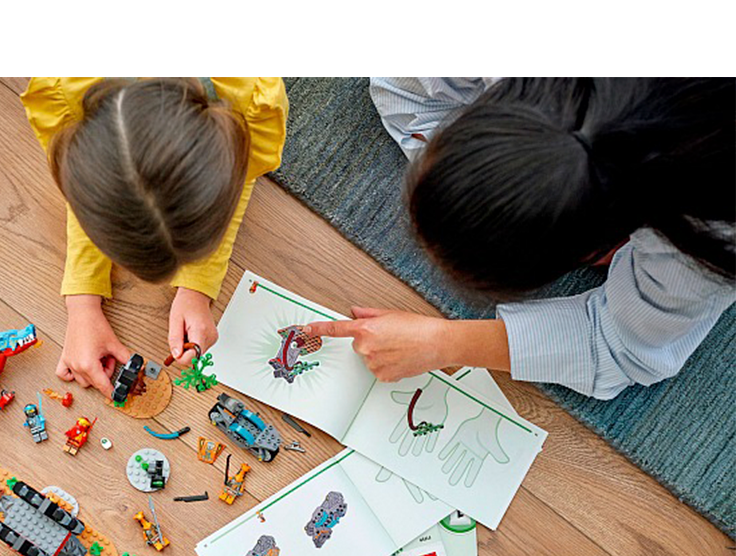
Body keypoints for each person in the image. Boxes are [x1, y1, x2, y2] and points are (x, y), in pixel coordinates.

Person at [305, 78, 734, 399]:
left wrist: (444, 342)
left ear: (596, 251)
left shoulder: (706, 229)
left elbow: (627, 346)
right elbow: (401, 90)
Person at [21, 77, 287, 396]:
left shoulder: (254, 103)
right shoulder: (61, 100)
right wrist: (82, 302)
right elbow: (93, 194)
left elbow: (237, 173)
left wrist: (197, 285)